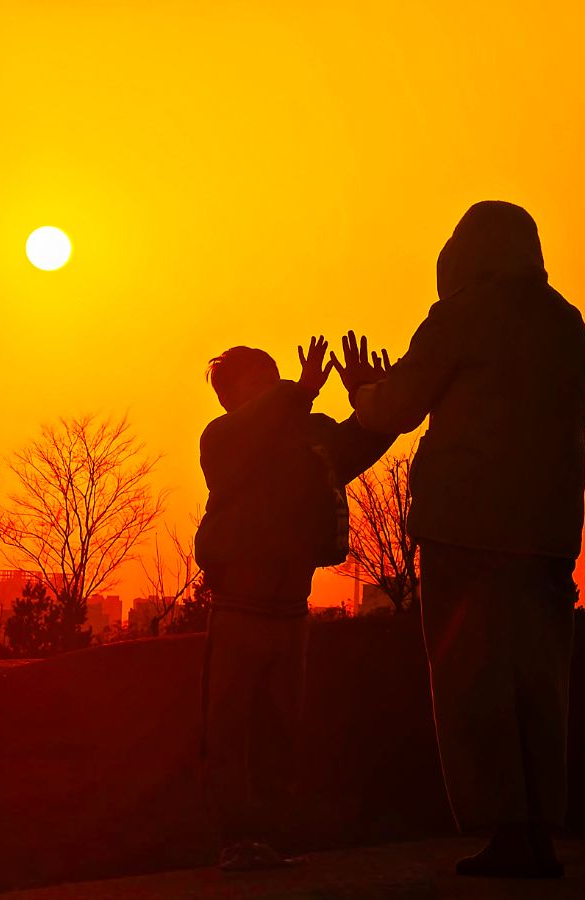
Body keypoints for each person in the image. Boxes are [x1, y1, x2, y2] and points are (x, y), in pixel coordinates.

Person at [332, 201, 585, 878]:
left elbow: (396, 408)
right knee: (539, 687)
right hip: (548, 533)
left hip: (467, 529)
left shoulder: (462, 315)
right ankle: (538, 833)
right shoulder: (567, 324)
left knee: (475, 685)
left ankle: (507, 831)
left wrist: (365, 389)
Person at [195, 337, 394, 871]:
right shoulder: (223, 439)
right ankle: (236, 839)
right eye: (257, 383)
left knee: (281, 730)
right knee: (230, 731)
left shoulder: (310, 436)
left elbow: (363, 440)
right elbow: (256, 426)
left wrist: (371, 396)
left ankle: (273, 837)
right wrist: (294, 395)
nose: (273, 388)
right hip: (238, 608)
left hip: (290, 611)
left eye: (274, 376)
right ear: (230, 398)